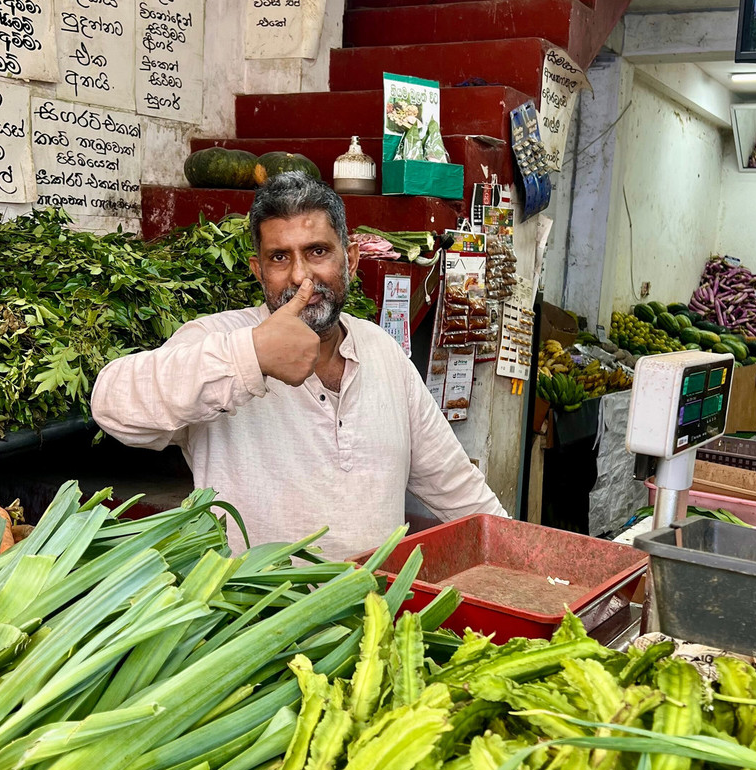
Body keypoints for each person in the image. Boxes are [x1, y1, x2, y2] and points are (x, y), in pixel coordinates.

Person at [91, 172, 507, 559]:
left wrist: (516, 556)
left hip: (373, 619)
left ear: (352, 259)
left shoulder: (382, 352)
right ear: (258, 271)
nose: (300, 277)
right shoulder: (220, 339)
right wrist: (250, 357)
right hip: (255, 622)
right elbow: (112, 405)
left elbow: (454, 484)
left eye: (318, 251)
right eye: (278, 258)